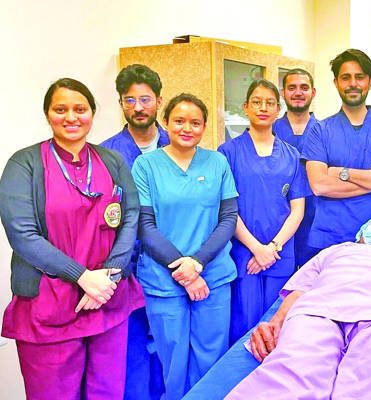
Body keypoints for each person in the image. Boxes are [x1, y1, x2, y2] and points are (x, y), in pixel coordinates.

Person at [0, 78, 143, 400]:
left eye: (80, 109)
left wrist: (110, 275)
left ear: (92, 113)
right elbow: (22, 234)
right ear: (47, 114)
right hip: (49, 305)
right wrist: (82, 277)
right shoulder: (25, 165)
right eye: (60, 109)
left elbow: (131, 215)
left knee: (108, 392)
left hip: (106, 299)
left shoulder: (111, 161)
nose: (71, 117)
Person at [225, 216, 371, 400]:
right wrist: (276, 323)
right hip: (318, 311)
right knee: (295, 368)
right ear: (359, 235)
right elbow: (299, 290)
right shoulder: (334, 251)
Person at [132, 93, 238, 400]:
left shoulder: (217, 162)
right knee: (172, 361)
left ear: (204, 127)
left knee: (211, 358)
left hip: (212, 275)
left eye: (195, 122)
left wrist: (198, 263)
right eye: (179, 121)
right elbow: (145, 226)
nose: (187, 128)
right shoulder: (146, 166)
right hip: (163, 279)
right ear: (165, 122)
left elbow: (228, 218)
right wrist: (185, 271)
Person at [219, 79, 310, 345]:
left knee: (276, 326)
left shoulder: (292, 155)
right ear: (246, 107)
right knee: (243, 326)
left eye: (270, 103)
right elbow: (227, 209)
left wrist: (272, 248)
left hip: (279, 253)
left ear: (278, 109)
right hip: (243, 253)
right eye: (257, 102)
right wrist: (256, 249)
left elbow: (297, 210)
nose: (263, 108)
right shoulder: (228, 153)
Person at [101, 63, 166, 400]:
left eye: (145, 99)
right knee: (133, 353)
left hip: (174, 264)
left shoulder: (182, 143)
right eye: (130, 100)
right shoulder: (105, 154)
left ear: (159, 101)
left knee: (172, 350)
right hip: (128, 268)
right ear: (121, 104)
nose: (138, 107)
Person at [302, 49, 371, 249]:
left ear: (370, 81)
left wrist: (341, 173)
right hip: (331, 236)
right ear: (336, 82)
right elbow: (319, 186)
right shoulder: (320, 130)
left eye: (360, 77)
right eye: (346, 78)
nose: (353, 83)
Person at [273, 68, 320, 266]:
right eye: (292, 88)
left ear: (313, 92)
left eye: (304, 87)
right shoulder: (269, 131)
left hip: (316, 221)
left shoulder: (326, 131)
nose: (298, 92)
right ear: (283, 93)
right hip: (277, 221)